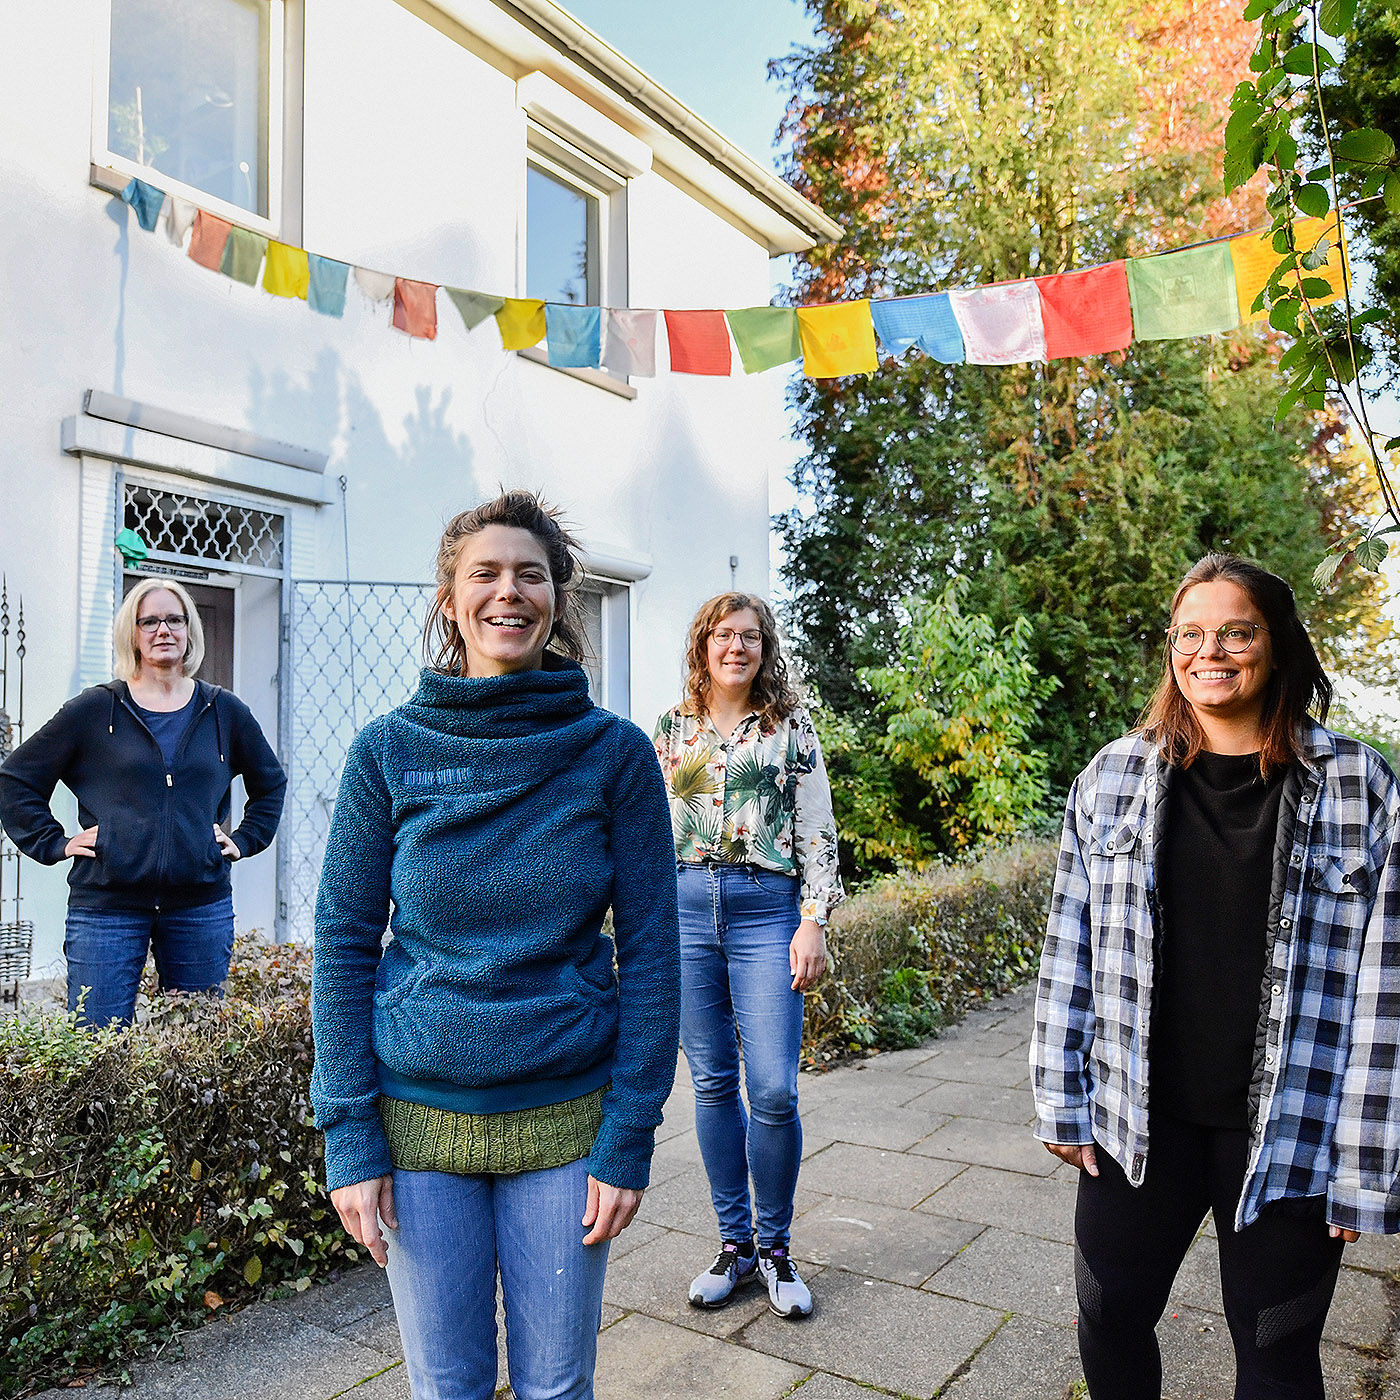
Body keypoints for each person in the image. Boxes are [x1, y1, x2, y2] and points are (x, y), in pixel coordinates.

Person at [311, 490, 680, 1400]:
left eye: (530, 574)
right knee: (447, 1387)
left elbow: (655, 953)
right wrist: (349, 1136)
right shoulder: (387, 752)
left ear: (559, 596)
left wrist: (629, 1134)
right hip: (415, 1125)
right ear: (450, 598)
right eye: (484, 574)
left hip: (566, 1119)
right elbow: (344, 942)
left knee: (558, 1388)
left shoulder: (614, 755)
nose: (506, 593)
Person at [1031, 553, 1400, 1400]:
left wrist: (1366, 1161)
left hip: (1292, 1132)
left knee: (1275, 1352)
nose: (1211, 651)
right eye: (1190, 634)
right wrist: (1060, 1098)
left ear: (1279, 646)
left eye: (1237, 630)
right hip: (1137, 1119)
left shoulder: (1359, 786)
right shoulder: (1111, 778)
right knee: (1108, 1316)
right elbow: (1068, 949)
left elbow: (1390, 987)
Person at [653, 592, 843, 1320]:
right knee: (709, 1084)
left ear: (765, 649)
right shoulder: (669, 731)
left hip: (768, 911)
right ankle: (733, 1245)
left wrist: (813, 920)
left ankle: (776, 1247)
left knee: (773, 1091)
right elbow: (645, 833)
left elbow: (818, 831)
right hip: (685, 910)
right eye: (723, 635)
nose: (736, 647)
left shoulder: (791, 730)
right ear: (703, 645)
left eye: (750, 637)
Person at [0, 578, 285, 1027]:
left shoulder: (224, 711)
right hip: (106, 909)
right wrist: (55, 843)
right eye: (149, 621)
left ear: (190, 629)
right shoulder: (94, 710)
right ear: (132, 633)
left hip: (199, 906)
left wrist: (244, 840)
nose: (163, 630)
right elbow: (15, 780)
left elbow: (270, 784)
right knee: (99, 1047)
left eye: (174, 619)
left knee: (196, 1047)